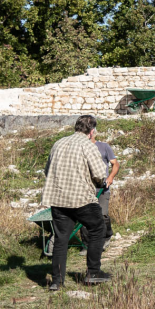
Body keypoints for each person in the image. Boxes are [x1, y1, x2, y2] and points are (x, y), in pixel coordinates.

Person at [42, 115, 110, 291]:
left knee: (61, 239)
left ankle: (57, 281)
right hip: (81, 199)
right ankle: (93, 273)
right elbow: (99, 174)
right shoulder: (88, 145)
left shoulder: (58, 143)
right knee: (97, 228)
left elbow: (47, 170)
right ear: (92, 131)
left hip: (58, 199)